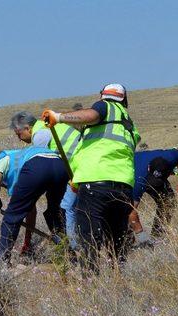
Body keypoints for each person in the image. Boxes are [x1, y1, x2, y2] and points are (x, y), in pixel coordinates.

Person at [42, 83, 140, 272]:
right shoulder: (128, 124)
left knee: (89, 236)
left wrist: (58, 117)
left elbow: (92, 115)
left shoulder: (105, 107)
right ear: (125, 99)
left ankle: (91, 282)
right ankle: (117, 277)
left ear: (102, 96)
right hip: (123, 185)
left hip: (96, 182)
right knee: (116, 236)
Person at [9, 111, 82, 252]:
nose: (19, 138)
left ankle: (70, 247)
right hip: (75, 165)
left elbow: (41, 167)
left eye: (19, 134)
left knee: (61, 208)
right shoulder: (46, 126)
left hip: (75, 167)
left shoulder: (40, 134)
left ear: (27, 128)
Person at [0, 144, 69, 263]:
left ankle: (1, 262)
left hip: (38, 165)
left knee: (11, 217)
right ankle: (66, 252)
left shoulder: (2, 159)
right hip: (61, 165)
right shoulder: (19, 160)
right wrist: (27, 242)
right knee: (55, 212)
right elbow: (30, 211)